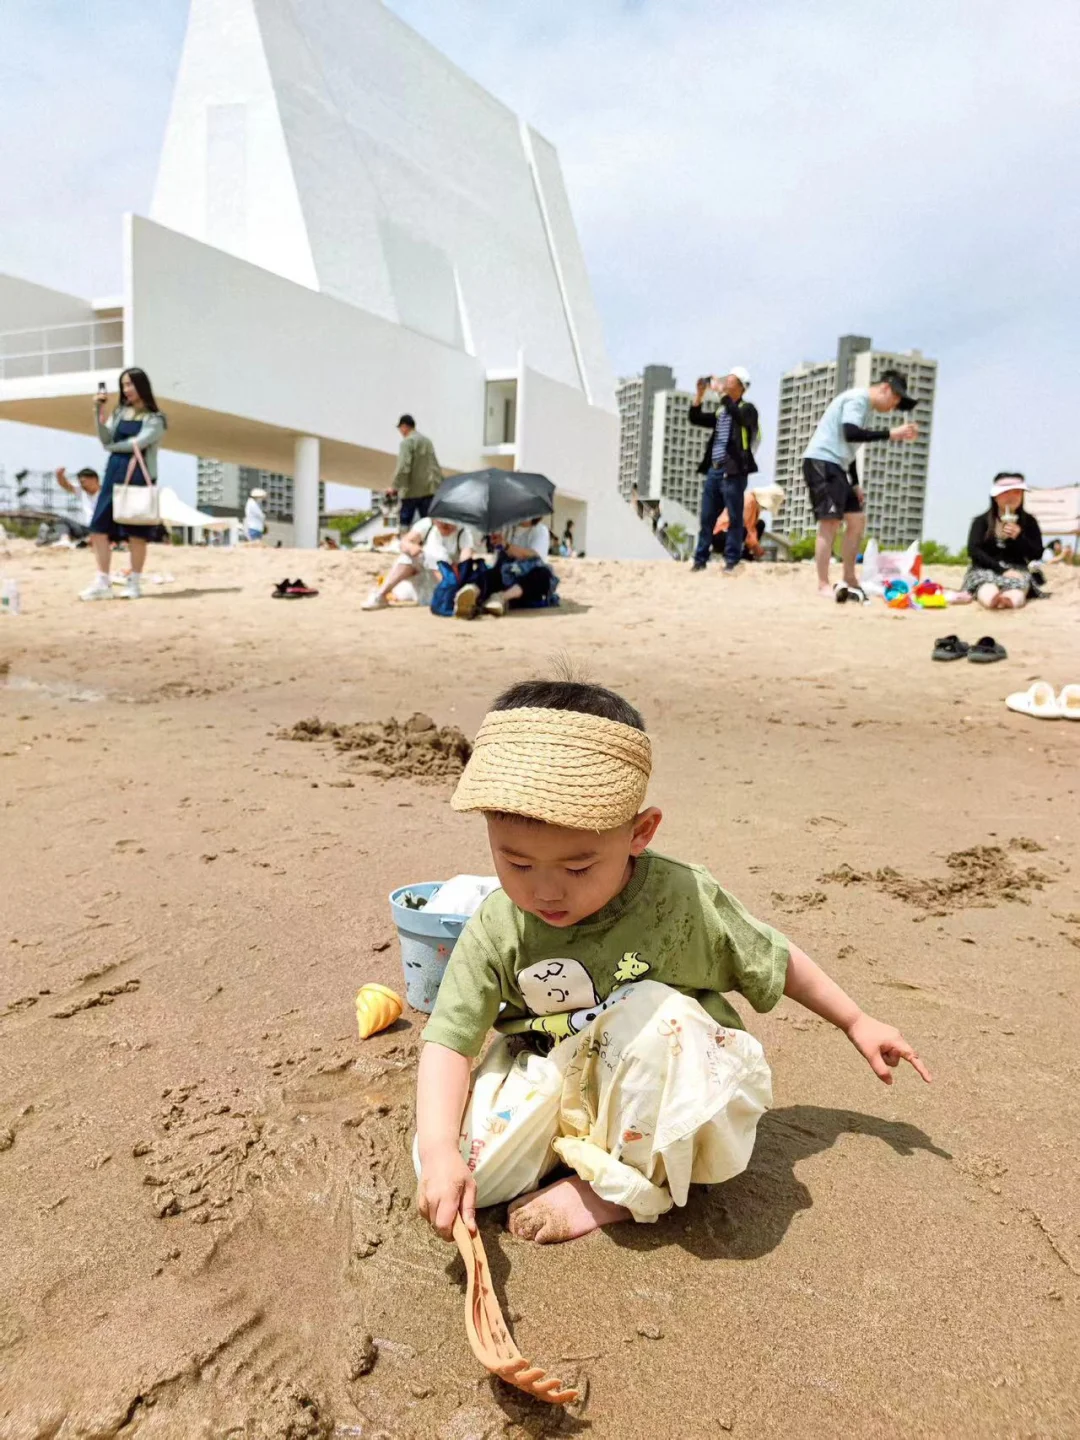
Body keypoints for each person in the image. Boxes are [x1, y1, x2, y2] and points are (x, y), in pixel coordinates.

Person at [415, 678, 930, 1246]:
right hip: (552, 1072)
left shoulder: (680, 900)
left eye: (579, 868)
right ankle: (569, 1149)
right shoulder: (497, 923)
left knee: (659, 1013)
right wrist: (441, 1150)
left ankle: (620, 1187)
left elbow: (771, 959)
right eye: (516, 863)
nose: (547, 892)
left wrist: (856, 1020)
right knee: (462, 1179)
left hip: (660, 1075)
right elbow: (450, 1041)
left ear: (640, 833)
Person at [802, 370, 919, 600]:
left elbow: (850, 448)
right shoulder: (857, 399)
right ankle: (823, 584)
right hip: (822, 461)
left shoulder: (864, 408)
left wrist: (854, 483)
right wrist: (890, 434)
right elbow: (851, 433)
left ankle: (849, 577)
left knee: (856, 520)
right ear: (885, 388)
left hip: (837, 465)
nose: (893, 407)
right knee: (830, 522)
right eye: (894, 400)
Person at [80, 368, 167, 601]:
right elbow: (105, 438)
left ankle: (135, 582)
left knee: (136, 533)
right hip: (113, 472)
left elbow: (138, 443)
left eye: (130, 384)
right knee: (98, 529)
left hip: (140, 475)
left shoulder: (156, 419)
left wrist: (112, 448)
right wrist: (98, 409)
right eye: (124, 385)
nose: (126, 389)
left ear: (142, 386)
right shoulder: (119, 412)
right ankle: (102, 581)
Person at [688, 368, 759, 575]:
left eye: (730, 381)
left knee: (735, 517)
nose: (725, 383)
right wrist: (700, 395)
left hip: (734, 471)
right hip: (715, 469)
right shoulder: (722, 411)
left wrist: (722, 394)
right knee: (707, 517)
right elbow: (696, 418)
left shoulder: (748, 409)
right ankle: (700, 559)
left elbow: (741, 419)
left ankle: (731, 560)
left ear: (741, 387)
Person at [361, 514, 478, 611]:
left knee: (438, 557)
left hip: (444, 578)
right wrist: (411, 547)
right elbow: (404, 543)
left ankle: (452, 596)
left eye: (449, 522)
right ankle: (381, 595)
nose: (445, 525)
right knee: (407, 557)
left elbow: (465, 561)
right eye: (441, 521)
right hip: (422, 574)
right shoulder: (427, 524)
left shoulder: (464, 533)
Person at [961, 474, 1043, 610]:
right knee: (986, 586)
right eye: (1005, 492)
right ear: (995, 496)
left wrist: (1019, 537)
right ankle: (992, 600)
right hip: (985, 568)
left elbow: (1036, 554)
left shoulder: (1029, 522)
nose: (1011, 497)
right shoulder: (981, 521)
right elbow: (973, 550)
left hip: (1018, 570)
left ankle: (1008, 601)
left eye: (1017, 492)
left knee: (1018, 588)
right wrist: (1001, 570)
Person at [457, 516, 556, 618]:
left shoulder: (541, 531)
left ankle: (501, 598)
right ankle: (472, 591)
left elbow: (532, 554)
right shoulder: (507, 528)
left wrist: (507, 546)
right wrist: (496, 541)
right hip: (506, 575)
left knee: (543, 575)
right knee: (492, 572)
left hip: (525, 581)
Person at [393, 415, 443, 531]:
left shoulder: (407, 442)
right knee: (429, 522)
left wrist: (395, 486)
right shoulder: (427, 441)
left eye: (400, 428)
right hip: (429, 489)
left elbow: (403, 466)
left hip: (411, 490)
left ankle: (404, 543)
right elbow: (433, 465)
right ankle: (429, 543)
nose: (400, 431)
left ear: (404, 426)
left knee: (405, 521)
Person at [56, 466, 101, 535]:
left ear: (94, 479)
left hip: (102, 529)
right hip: (87, 528)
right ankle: (64, 540)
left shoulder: (106, 493)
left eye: (84, 482)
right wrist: (59, 476)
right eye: (81, 483)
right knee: (62, 520)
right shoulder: (82, 491)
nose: (82, 485)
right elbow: (66, 485)